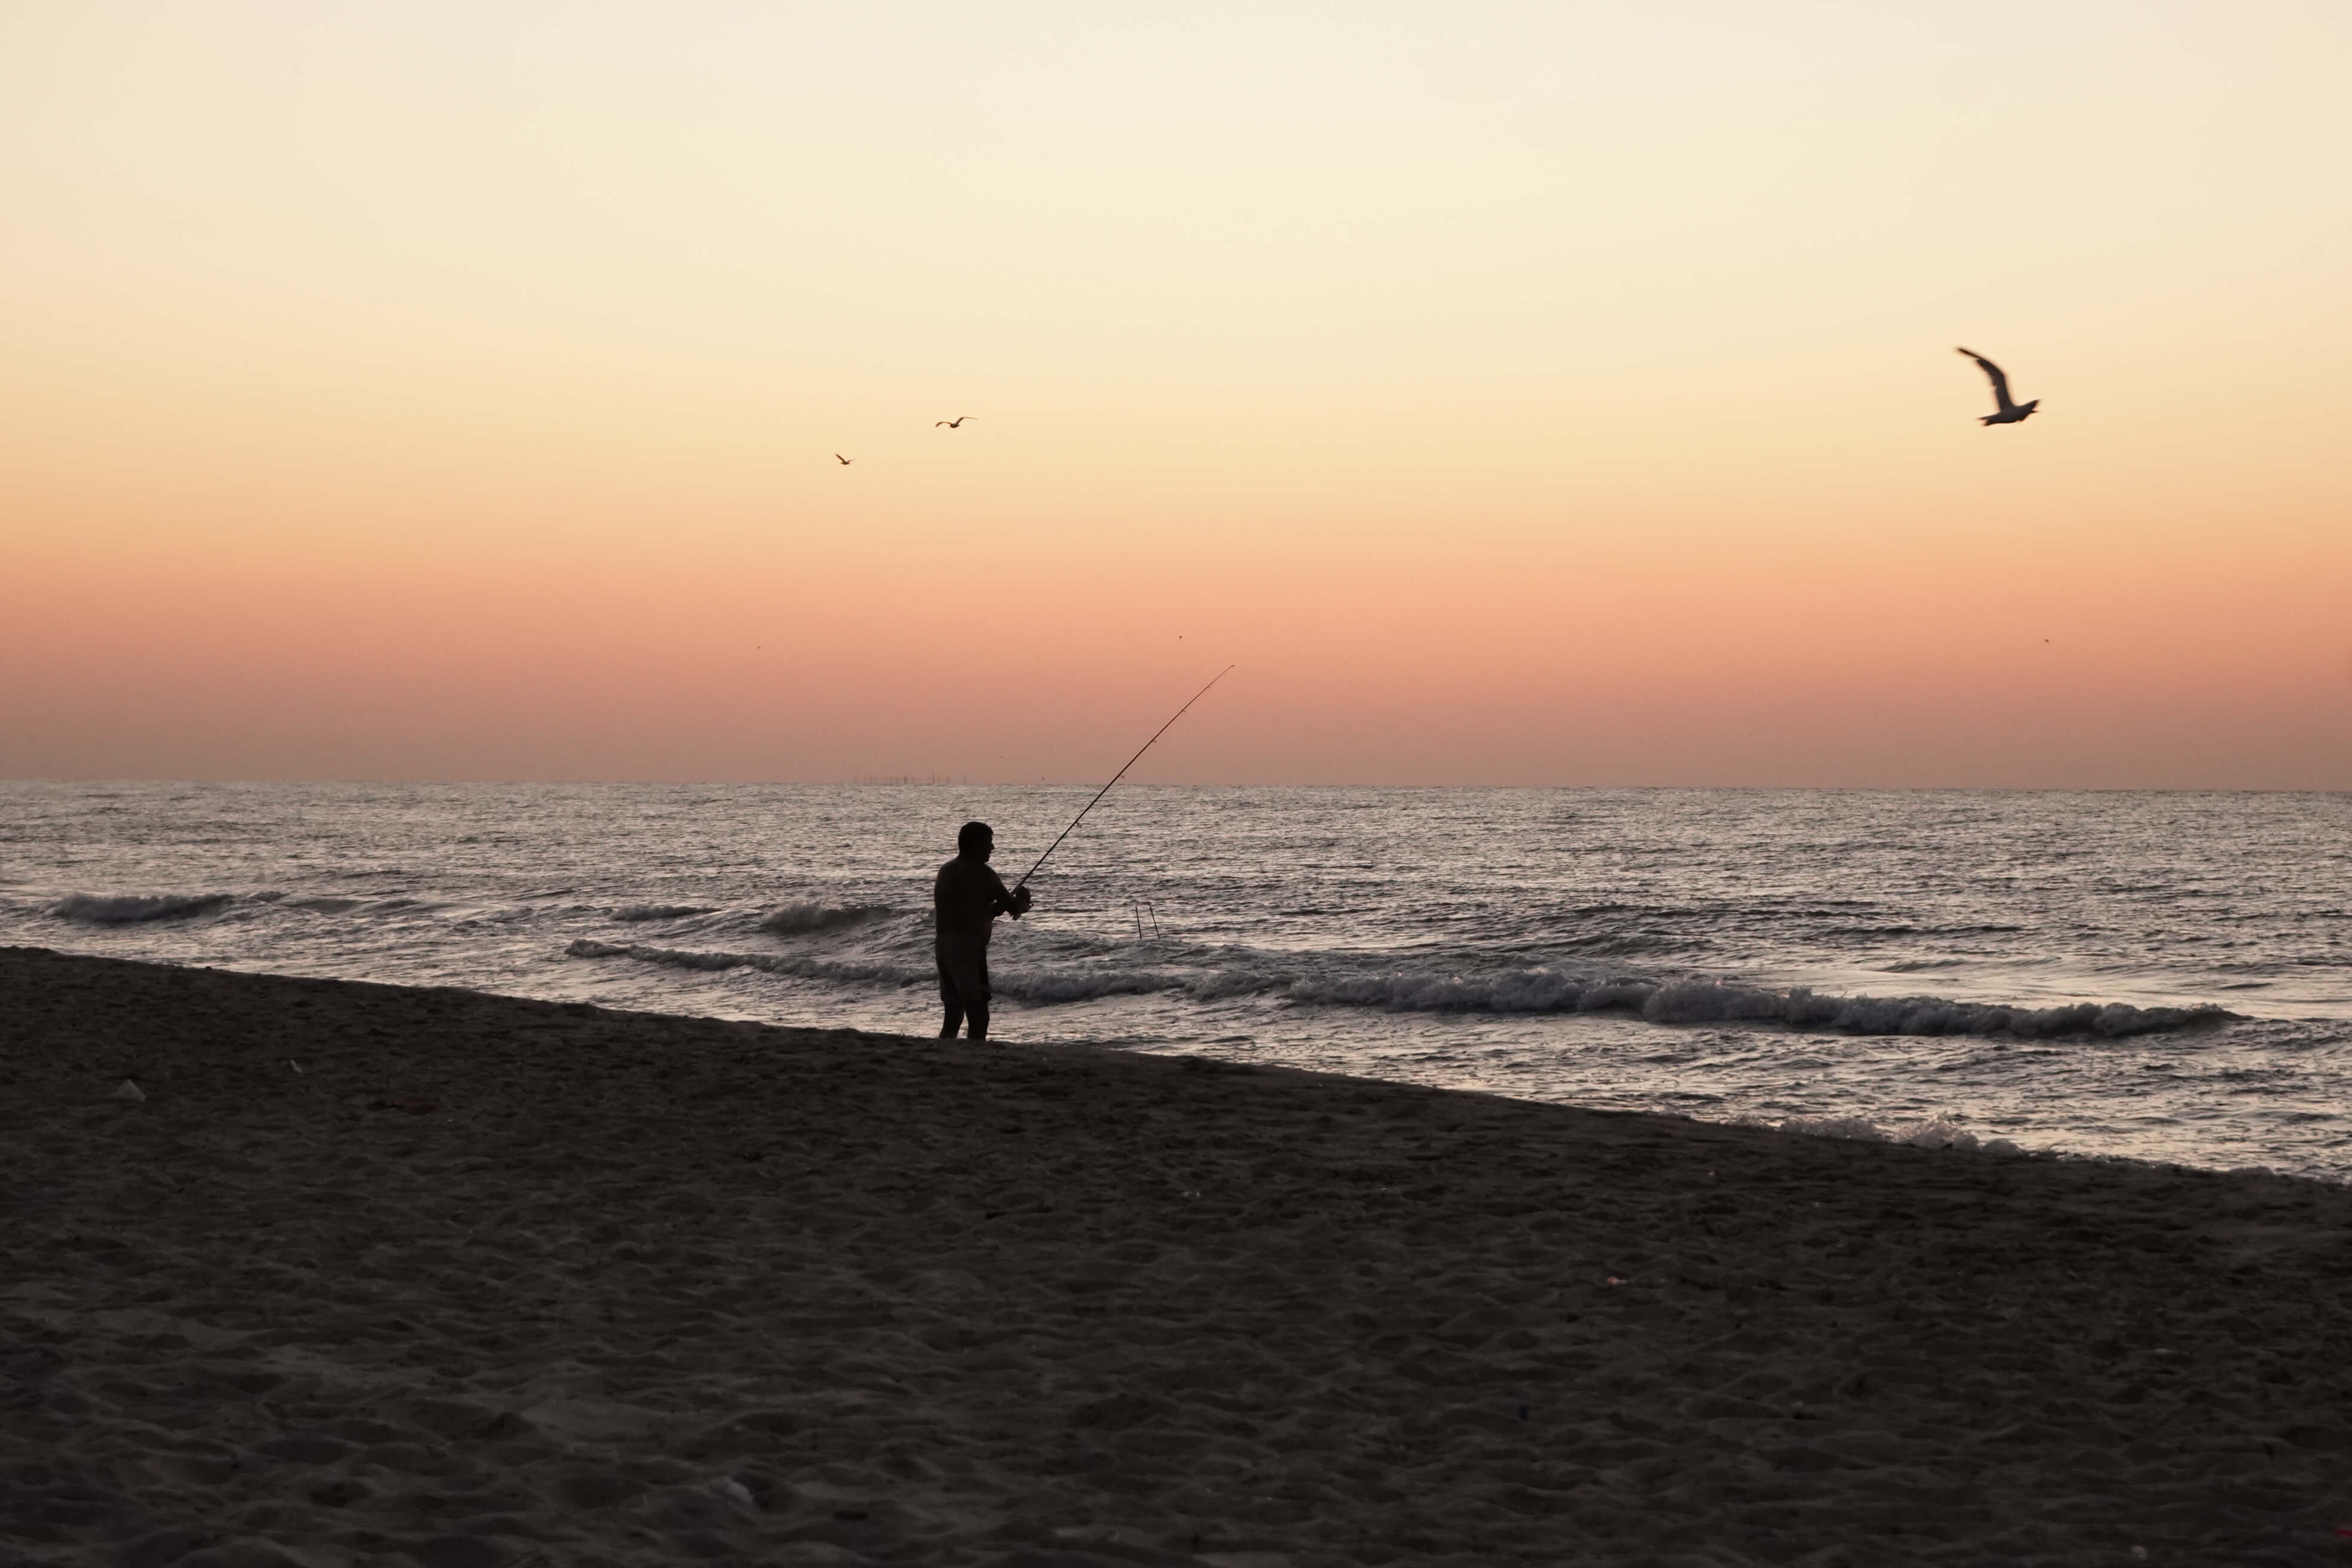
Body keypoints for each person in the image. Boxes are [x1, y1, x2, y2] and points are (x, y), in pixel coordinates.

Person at [933, 820, 1031, 1042]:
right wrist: (1023, 899)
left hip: (943, 945)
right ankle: (975, 1058)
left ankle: (945, 1055)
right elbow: (1014, 908)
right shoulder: (984, 873)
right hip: (968, 949)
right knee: (979, 1015)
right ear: (974, 845)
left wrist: (1002, 906)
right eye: (988, 843)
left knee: (953, 1015)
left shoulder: (946, 870)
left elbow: (977, 912)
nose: (992, 848)